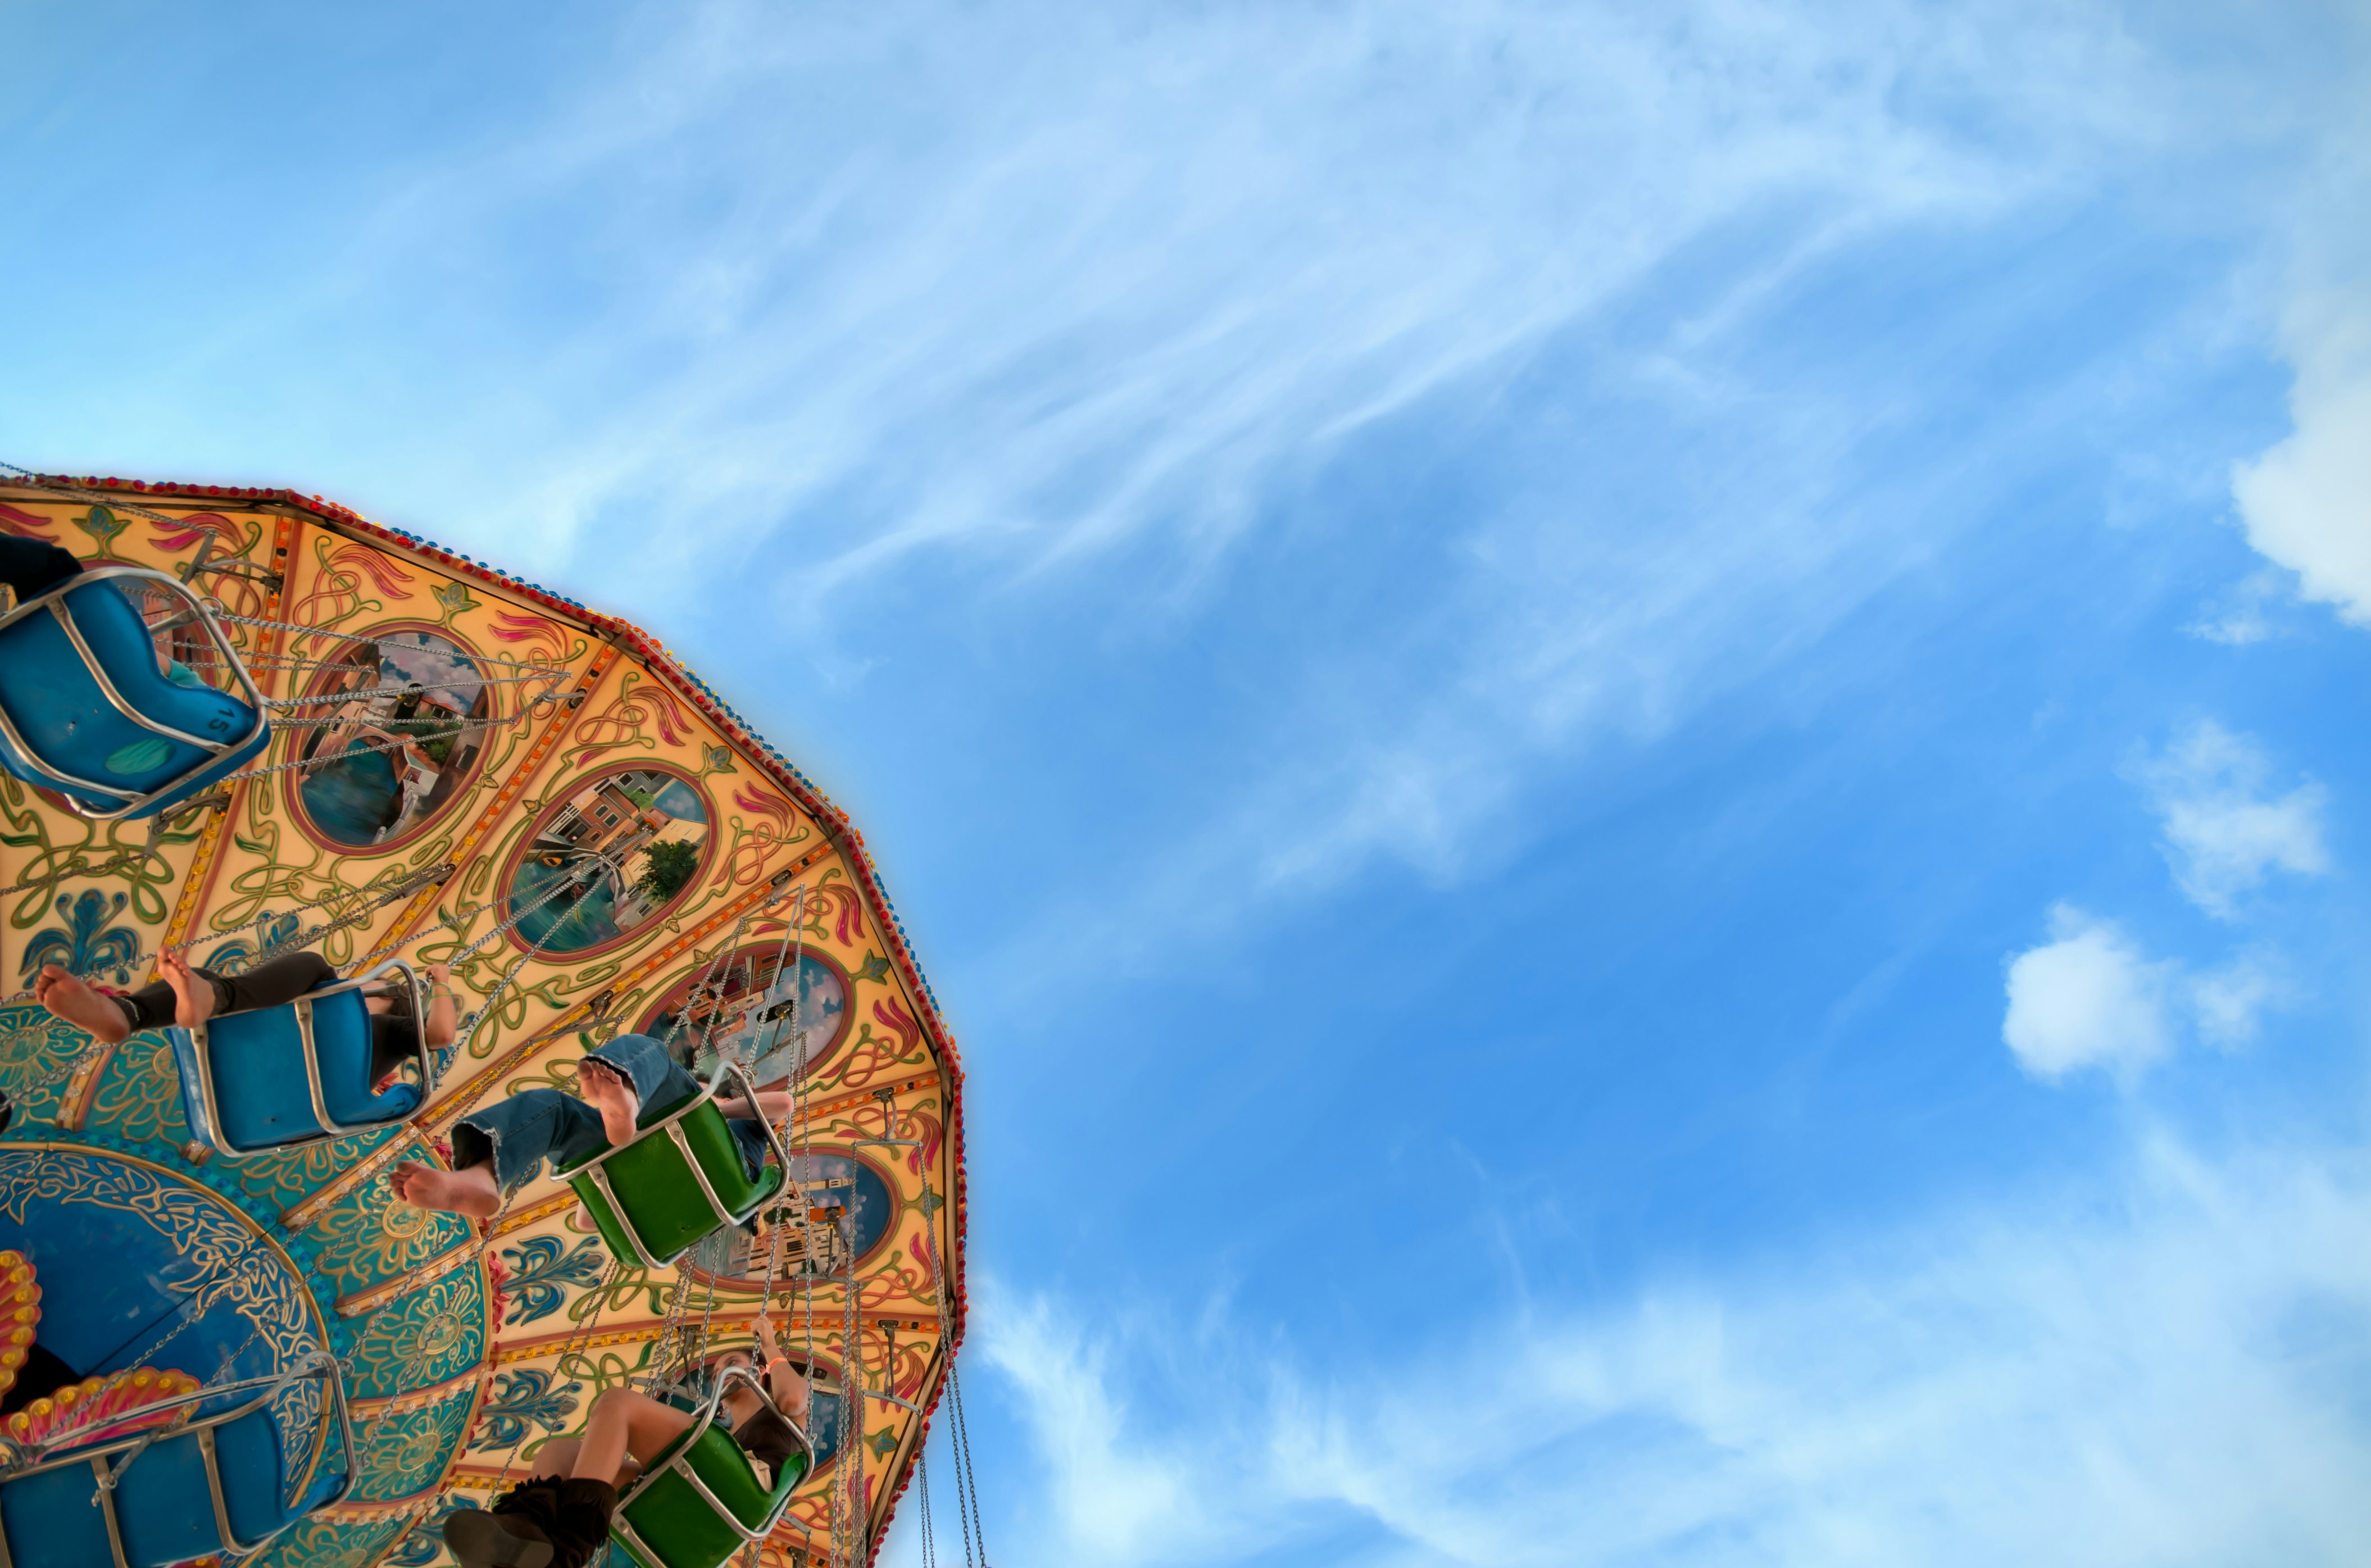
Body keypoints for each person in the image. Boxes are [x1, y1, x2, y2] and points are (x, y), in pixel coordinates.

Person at [444, 1315, 812, 1568]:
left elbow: (795, 1399)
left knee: (617, 1404)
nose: (718, 1371)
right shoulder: (721, 1433)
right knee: (559, 1452)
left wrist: (769, 1343)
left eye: (729, 1362)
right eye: (716, 1369)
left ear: (758, 1370)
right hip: (704, 1484)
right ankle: (525, 1530)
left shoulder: (775, 1416)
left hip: (747, 1485)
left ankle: (569, 1547)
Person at [387, 1031, 789, 1221]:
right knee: (551, 1108)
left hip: (713, 1167)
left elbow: (782, 1103)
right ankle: (480, 1178)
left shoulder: (745, 1128)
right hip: (645, 1159)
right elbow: (584, 1220)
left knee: (650, 1050)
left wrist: (716, 1104)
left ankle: (626, 1103)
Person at [30, 951, 454, 1083]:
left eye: (366, 988)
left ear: (387, 996)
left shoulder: (395, 1031)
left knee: (315, 965)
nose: (355, 986)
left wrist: (441, 982)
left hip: (300, 1072)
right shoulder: (311, 1014)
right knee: (204, 981)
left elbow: (440, 1035)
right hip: (262, 1072)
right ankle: (127, 1013)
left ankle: (205, 999)